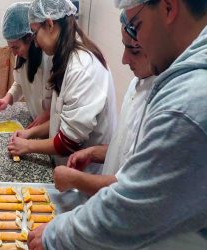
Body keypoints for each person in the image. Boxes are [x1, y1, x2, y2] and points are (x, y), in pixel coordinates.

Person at [28, 0, 207, 249]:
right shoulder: (162, 82)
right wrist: (97, 152)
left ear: (168, 8)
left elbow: (132, 208)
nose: (123, 60)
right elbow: (135, 151)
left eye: (136, 26)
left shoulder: (189, 100)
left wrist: (56, 235)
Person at [53, 10, 156, 196]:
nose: (124, 60)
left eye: (134, 50)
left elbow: (135, 186)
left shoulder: (162, 102)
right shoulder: (137, 83)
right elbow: (126, 152)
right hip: (105, 198)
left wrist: (76, 180)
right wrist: (93, 153)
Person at [8, 0, 117, 173]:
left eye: (35, 33)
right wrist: (31, 133)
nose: (35, 43)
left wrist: (28, 146)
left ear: (50, 24)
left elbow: (68, 142)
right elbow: (59, 118)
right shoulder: (65, 59)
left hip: (87, 176)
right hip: (68, 171)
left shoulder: (82, 68)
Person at [0, 2, 52, 129]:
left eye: (16, 47)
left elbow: (61, 103)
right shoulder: (21, 56)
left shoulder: (49, 58)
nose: (14, 53)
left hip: (50, 127)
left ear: (30, 38)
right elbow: (20, 83)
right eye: (11, 47)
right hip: (35, 122)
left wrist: (48, 115)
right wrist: (6, 99)